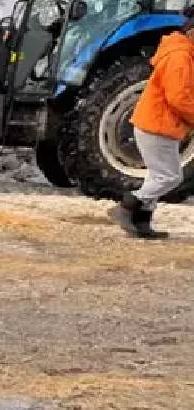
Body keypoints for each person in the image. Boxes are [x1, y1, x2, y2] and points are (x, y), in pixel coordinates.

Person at [108, 7, 194, 239]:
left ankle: (142, 222)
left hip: (160, 125)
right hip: (157, 126)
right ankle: (128, 206)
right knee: (169, 177)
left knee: (158, 175)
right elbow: (178, 98)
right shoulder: (180, 57)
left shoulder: (183, 54)